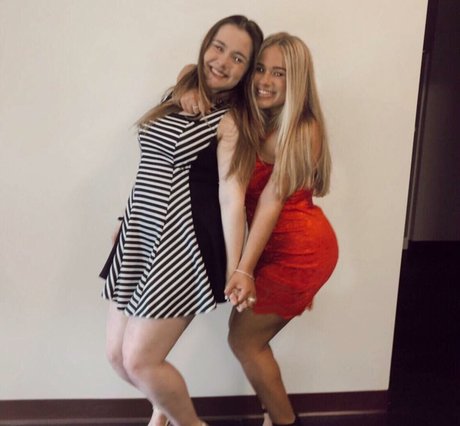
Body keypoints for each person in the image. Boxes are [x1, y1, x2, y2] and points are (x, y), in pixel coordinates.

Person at [99, 15, 263, 426]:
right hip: (140, 231)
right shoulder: (181, 88)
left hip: (180, 242)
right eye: (219, 47)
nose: (222, 61)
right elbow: (151, 165)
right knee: (117, 357)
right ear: (206, 44)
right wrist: (127, 216)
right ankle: (163, 408)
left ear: (246, 71)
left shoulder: (230, 120)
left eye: (238, 58)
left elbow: (231, 197)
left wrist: (236, 269)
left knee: (140, 360)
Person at [224, 33, 339, 426]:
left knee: (244, 340)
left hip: (300, 252)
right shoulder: (261, 116)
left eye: (279, 73)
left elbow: (272, 201)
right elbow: (200, 77)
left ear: (298, 80)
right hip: (275, 247)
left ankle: (285, 421)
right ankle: (274, 417)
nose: (264, 80)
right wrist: (188, 83)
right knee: (245, 336)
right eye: (260, 69)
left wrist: (243, 268)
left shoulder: (303, 128)